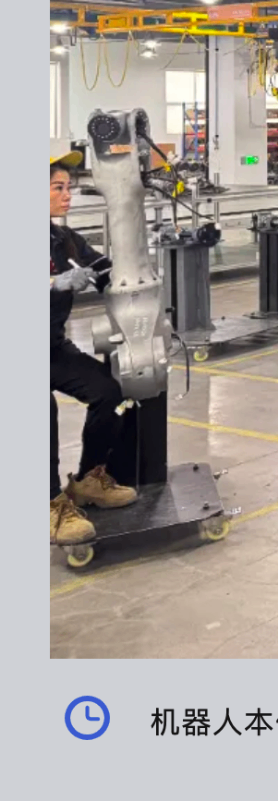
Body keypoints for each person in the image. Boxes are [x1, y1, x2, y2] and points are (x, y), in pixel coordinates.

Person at [50, 160, 138, 545]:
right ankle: (50, 505)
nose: (67, 195)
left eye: (68, 187)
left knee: (108, 391)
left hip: (51, 345)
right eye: (58, 187)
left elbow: (101, 267)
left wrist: (133, 277)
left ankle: (88, 480)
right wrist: (54, 282)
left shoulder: (65, 239)